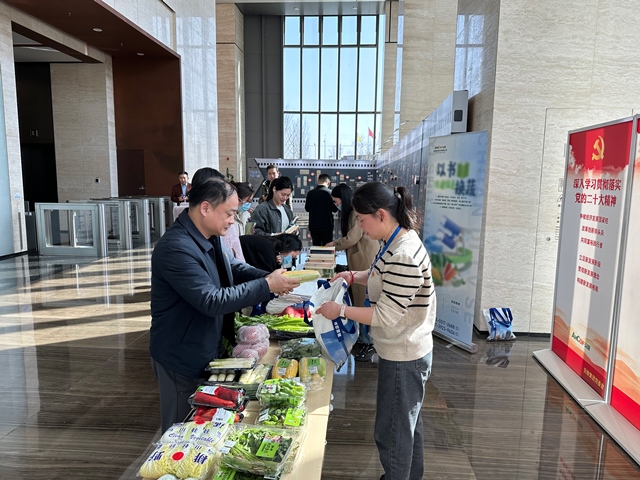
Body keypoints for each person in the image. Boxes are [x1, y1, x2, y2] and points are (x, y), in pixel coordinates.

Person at [150, 178, 300, 432]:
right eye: (229, 213)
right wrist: (266, 285)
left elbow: (233, 268)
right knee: (180, 427)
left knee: (204, 423)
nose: (233, 220)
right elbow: (211, 300)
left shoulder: (208, 236)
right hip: (181, 353)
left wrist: (269, 278)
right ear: (205, 208)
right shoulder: (176, 248)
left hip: (206, 344)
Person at [316, 182, 436, 480]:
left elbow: (385, 315)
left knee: (393, 430)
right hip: (403, 349)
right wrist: (353, 276)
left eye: (361, 219)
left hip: (404, 354)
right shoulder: (395, 240)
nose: (360, 226)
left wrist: (340, 311)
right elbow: (381, 274)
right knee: (406, 425)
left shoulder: (404, 253)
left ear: (381, 214)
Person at [325, 183, 379, 361]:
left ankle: (368, 342)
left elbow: (352, 238)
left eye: (336, 201)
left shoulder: (356, 214)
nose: (336, 205)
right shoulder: (350, 213)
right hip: (359, 259)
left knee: (363, 301)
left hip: (364, 260)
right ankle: (363, 339)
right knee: (359, 299)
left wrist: (334, 244)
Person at [305, 173, 338, 246]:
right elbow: (335, 209)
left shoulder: (310, 193)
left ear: (318, 181)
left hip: (314, 225)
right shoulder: (330, 193)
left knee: (316, 246)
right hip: (327, 225)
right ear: (328, 183)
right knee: (327, 246)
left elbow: (307, 209)